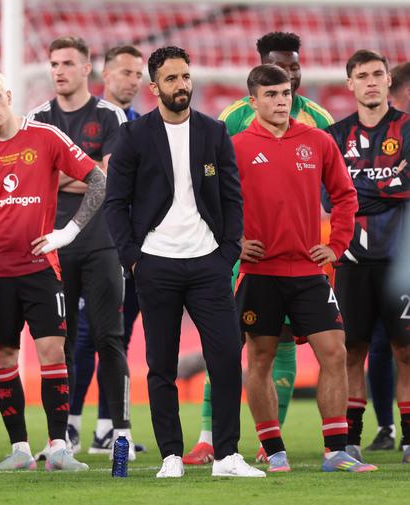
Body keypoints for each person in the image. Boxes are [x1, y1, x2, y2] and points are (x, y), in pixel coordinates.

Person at [104, 45, 265, 479]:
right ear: (154, 87)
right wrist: (133, 259)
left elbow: (232, 197)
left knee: (226, 358)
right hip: (155, 265)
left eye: (185, 76)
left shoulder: (214, 132)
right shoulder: (134, 136)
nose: (181, 85)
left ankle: (227, 456)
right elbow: (115, 203)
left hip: (209, 264)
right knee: (161, 365)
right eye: (171, 78)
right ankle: (171, 455)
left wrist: (227, 252)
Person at [185, 31, 335, 466]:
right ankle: (209, 437)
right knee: (229, 344)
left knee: (282, 344)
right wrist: (230, 242)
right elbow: (211, 185)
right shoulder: (233, 118)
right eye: (278, 66)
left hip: (299, 258)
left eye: (293, 66)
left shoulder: (319, 121)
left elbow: (332, 190)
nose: (288, 74)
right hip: (245, 258)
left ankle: (271, 444)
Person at [233, 63, 374, 473]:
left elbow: (345, 196)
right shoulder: (237, 146)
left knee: (334, 351)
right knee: (260, 357)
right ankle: (274, 450)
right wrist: (235, 241)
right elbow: (215, 202)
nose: (281, 101)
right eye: (271, 95)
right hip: (260, 272)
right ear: (253, 101)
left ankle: (336, 451)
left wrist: (336, 245)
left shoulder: (317, 140)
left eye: (285, 94)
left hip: (309, 272)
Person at [0, 68, 102, 471]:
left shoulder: (46, 137)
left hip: (41, 267)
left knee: (52, 351)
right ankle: (20, 450)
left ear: (8, 96)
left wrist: (68, 232)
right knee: (3, 357)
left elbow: (98, 180)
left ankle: (58, 447)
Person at [27, 37, 133, 459]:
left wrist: (63, 176)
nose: (59, 71)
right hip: (54, 245)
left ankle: (120, 432)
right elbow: (47, 181)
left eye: (68, 63)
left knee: (110, 338)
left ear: (87, 68)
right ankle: (61, 437)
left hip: (101, 242)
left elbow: (109, 180)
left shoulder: (110, 115)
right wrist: (87, 175)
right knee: (60, 341)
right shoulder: (38, 119)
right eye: (54, 63)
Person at [324, 50, 409, 465]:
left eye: (378, 74)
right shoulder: (334, 136)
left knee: (406, 351)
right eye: (363, 75)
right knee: (351, 352)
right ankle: (351, 440)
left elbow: (406, 187)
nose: (371, 81)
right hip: (351, 263)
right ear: (350, 84)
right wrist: (388, 187)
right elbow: (329, 198)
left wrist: (356, 192)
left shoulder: (407, 128)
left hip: (400, 264)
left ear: (389, 80)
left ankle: (408, 439)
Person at [68, 44, 144, 455]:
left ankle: (106, 428)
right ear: (105, 75)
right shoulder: (89, 120)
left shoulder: (144, 125)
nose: (133, 80)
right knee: (83, 336)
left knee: (118, 337)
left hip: (131, 246)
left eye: (138, 74)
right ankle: (70, 423)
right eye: (126, 72)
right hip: (90, 243)